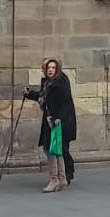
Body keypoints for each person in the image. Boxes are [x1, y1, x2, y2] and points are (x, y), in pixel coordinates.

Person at [23, 58, 76, 192]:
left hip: (60, 121)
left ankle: (57, 178)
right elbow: (43, 97)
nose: (50, 70)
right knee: (55, 149)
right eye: (48, 68)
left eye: (53, 67)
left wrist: (58, 118)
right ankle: (61, 178)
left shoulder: (61, 82)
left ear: (57, 69)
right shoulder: (47, 83)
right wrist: (29, 94)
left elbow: (66, 103)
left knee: (53, 149)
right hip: (49, 120)